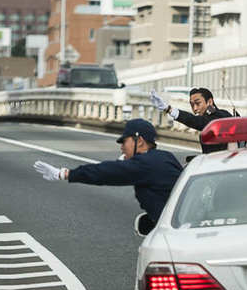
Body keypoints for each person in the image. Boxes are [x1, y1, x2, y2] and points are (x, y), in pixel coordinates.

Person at [32, 118, 183, 230]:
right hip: (184, 223)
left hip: (173, 231)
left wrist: (64, 173)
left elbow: (104, 173)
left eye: (125, 142)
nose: (122, 148)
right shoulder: (166, 157)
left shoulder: (145, 164)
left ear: (140, 141)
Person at [149, 87, 232, 154]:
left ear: (209, 102)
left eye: (198, 103)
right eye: (192, 105)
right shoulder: (223, 113)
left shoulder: (217, 116)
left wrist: (168, 109)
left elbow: (195, 121)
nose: (195, 108)